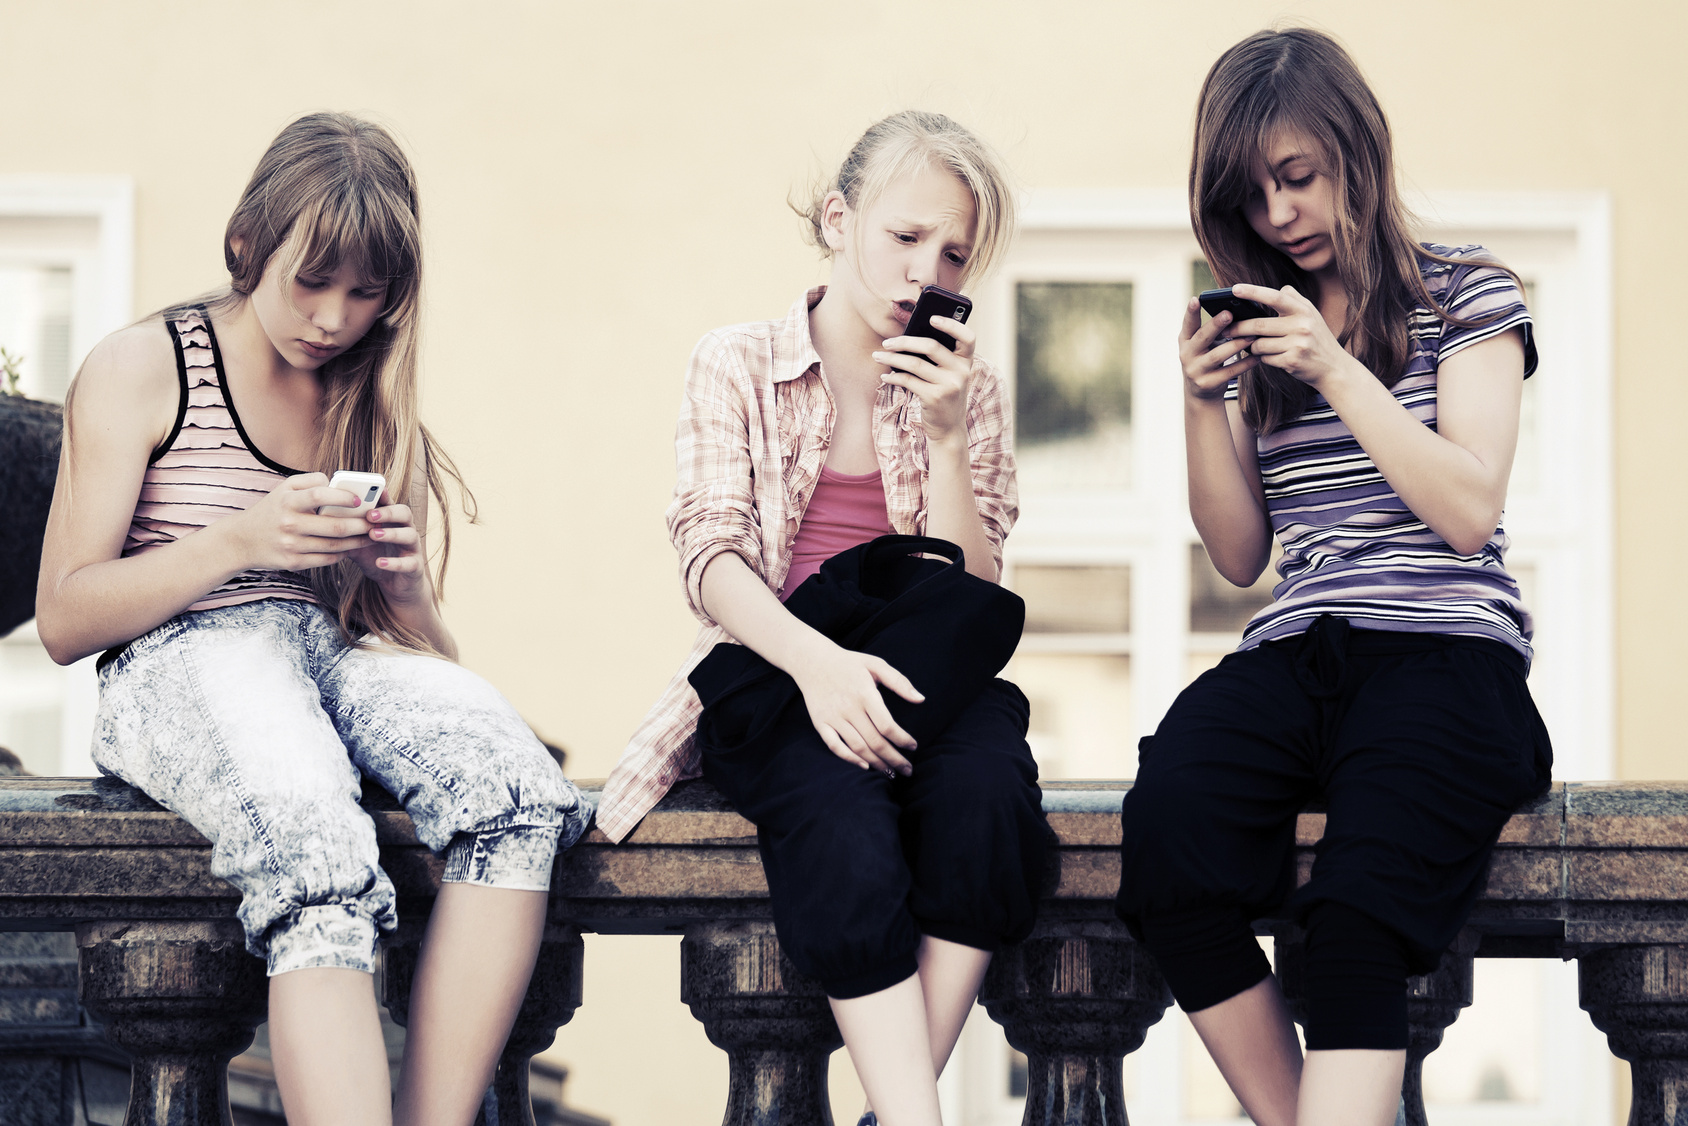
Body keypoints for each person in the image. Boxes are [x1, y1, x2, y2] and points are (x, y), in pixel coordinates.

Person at [34, 112, 589, 1126]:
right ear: (246, 245)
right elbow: (65, 617)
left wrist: (407, 593)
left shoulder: (368, 401)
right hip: (181, 658)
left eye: (366, 292)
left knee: (515, 795)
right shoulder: (145, 365)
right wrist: (238, 541)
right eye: (312, 280)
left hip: (330, 658)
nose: (333, 318)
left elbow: (424, 663)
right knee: (316, 848)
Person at [1113, 28, 1553, 1126]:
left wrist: (1336, 367)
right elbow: (1238, 556)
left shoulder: (1467, 294)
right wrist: (1199, 400)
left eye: (1297, 177)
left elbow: (1467, 509)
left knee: (1354, 919)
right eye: (1252, 194)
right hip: (1301, 649)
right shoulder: (1269, 324)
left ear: (1357, 150)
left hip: (1446, 650)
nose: (1278, 216)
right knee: (1165, 843)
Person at [598, 111, 1048, 1126]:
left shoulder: (966, 392)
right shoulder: (736, 361)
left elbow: (978, 593)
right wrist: (819, 666)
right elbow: (709, 556)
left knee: (987, 799)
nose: (924, 272)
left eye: (953, 256)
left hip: (925, 676)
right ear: (838, 221)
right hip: (778, 671)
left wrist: (944, 437)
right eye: (904, 237)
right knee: (839, 825)